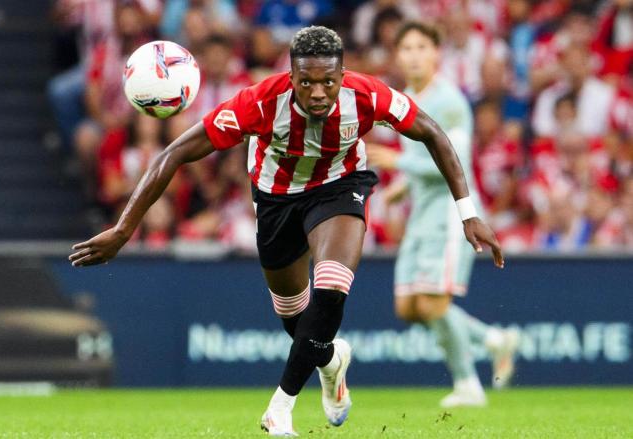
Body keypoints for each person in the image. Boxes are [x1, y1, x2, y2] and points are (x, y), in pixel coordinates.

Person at [69, 26, 503, 436]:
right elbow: (175, 153)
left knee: (332, 288)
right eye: (306, 82)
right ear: (290, 76)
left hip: (339, 188)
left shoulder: (368, 94)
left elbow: (433, 133)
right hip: (275, 202)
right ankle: (331, 361)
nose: (318, 93)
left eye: (328, 83)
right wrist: (123, 230)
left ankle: (280, 406)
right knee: (296, 318)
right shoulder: (258, 103)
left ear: (342, 75)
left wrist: (468, 212)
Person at [367, 22, 517, 408]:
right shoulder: (406, 99)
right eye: (406, 48)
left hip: (452, 215)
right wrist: (404, 183)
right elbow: (423, 162)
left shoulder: (449, 101)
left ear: (436, 53)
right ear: (397, 56)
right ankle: (492, 340)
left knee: (432, 303)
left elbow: (456, 162)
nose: (414, 55)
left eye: (421, 46)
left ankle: (468, 384)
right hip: (423, 211)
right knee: (409, 307)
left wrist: (398, 162)